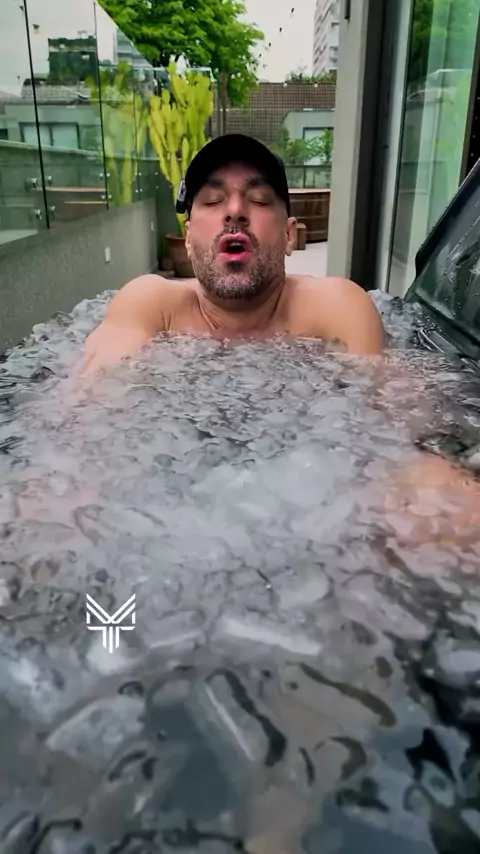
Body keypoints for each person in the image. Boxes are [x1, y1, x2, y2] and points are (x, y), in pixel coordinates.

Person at [81, 134, 385, 374]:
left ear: (289, 235)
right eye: (213, 200)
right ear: (188, 239)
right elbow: (93, 403)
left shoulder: (335, 308)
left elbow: (386, 415)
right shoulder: (151, 305)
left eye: (259, 199)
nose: (235, 210)